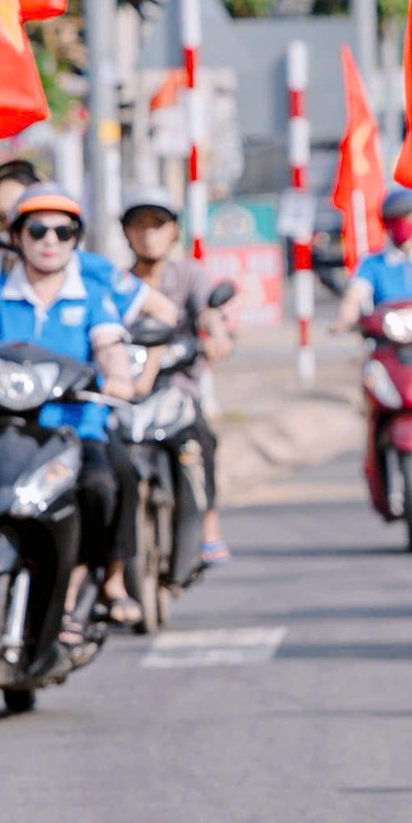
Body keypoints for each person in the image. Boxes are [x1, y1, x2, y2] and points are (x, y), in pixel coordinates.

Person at [0, 183, 142, 633]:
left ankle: (90, 582)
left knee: (105, 484)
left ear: (76, 238)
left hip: (74, 431)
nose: (50, 240)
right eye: (38, 229)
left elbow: (108, 344)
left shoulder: (91, 296)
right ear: (17, 235)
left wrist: (119, 376)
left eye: (63, 231)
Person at [120, 186, 236, 565]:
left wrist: (216, 335)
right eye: (140, 225)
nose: (148, 233)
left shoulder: (189, 274)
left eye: (158, 224)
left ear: (173, 231)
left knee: (202, 440)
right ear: (126, 233)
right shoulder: (118, 283)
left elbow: (208, 312)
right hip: (128, 390)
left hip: (178, 385)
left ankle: (209, 525)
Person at [0, 159, 175, 326]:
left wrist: (135, 375)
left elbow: (163, 311)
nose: (10, 226)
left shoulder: (92, 269)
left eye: (22, 216)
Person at [332, 189, 412, 330]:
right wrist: (344, 321)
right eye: (396, 219)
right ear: (386, 223)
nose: (404, 224)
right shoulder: (372, 262)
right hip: (387, 335)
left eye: (410, 217)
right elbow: (355, 295)